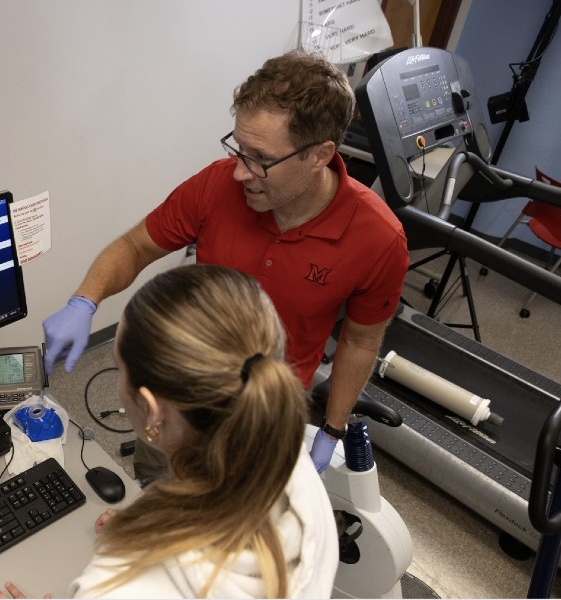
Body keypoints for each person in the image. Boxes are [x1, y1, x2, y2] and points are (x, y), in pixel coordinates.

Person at [42, 50, 409, 474]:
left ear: (320, 155)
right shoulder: (217, 185)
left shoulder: (378, 239)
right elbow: (135, 246)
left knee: (230, 524)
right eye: (239, 148)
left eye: (261, 159)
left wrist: (332, 428)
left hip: (263, 418)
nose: (239, 172)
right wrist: (84, 301)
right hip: (176, 399)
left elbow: (361, 341)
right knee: (152, 491)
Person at [0, 264, 338, 598]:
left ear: (152, 408)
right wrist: (155, 520)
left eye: (119, 367)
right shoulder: (293, 462)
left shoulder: (117, 585)